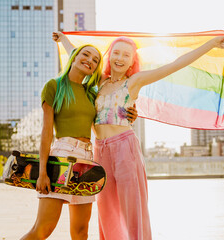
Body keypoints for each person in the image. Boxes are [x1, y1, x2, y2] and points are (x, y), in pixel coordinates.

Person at [54, 32, 224, 240]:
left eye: (126, 55)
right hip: (100, 150)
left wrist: (210, 44)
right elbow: (76, 56)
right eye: (116, 53)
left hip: (124, 148)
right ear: (109, 56)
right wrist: (63, 39)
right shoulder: (99, 81)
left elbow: (174, 65)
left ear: (132, 61)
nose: (120, 58)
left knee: (132, 209)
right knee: (107, 208)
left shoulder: (134, 81)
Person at [21, 43, 137, 240]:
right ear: (73, 57)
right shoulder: (54, 86)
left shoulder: (91, 93)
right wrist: (42, 172)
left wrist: (130, 114)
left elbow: (108, 111)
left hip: (86, 161)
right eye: (85, 55)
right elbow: (46, 133)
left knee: (81, 232)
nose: (90, 61)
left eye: (95, 60)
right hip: (61, 157)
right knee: (43, 229)